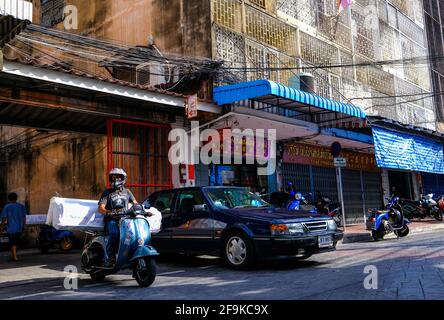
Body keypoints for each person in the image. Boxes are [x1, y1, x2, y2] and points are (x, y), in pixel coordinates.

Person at [98, 168, 137, 268]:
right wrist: (107, 212)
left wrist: (141, 210)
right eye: (113, 177)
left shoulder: (127, 192)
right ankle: (110, 257)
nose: (116, 180)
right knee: (115, 232)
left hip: (125, 220)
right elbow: (101, 208)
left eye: (118, 177)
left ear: (123, 179)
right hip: (111, 220)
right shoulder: (107, 192)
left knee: (133, 234)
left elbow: (135, 203)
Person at [0, 193, 27, 261]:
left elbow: (4, 218)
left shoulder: (7, 207)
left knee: (12, 242)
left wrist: (1, 228)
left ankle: (15, 256)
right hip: (19, 227)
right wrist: (24, 226)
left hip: (11, 228)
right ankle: (13, 255)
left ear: (9, 199)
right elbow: (24, 218)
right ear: (16, 198)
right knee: (16, 242)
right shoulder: (21, 206)